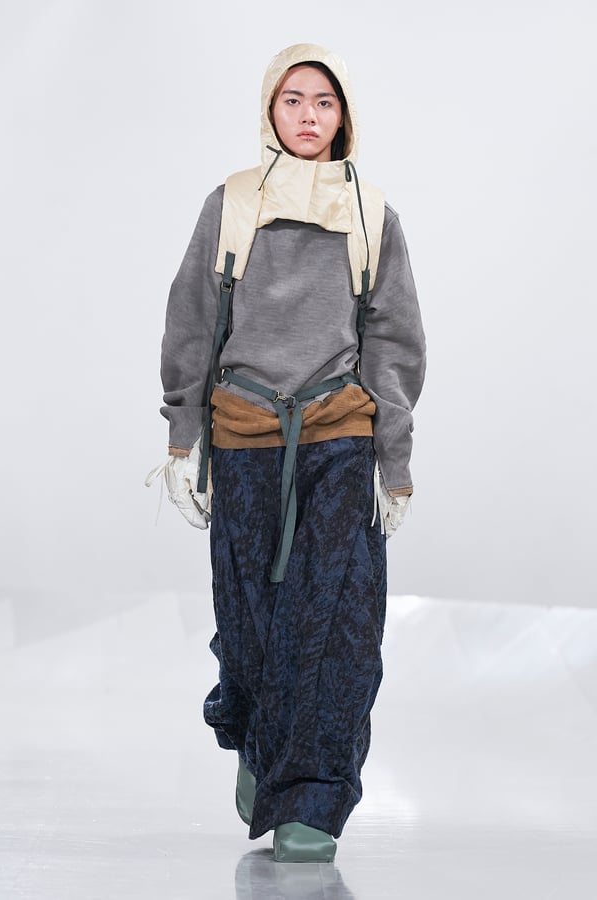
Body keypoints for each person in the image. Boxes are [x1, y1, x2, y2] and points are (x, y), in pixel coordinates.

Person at [146, 42, 426, 863]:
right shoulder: (231, 204)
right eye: (294, 99)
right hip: (245, 435)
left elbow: (394, 342)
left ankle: (310, 799)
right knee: (251, 621)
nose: (309, 115)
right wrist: (183, 436)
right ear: (271, 109)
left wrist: (394, 461)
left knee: (336, 623)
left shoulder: (372, 214)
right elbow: (192, 320)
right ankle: (258, 739)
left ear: (345, 117)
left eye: (324, 102)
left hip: (340, 434)